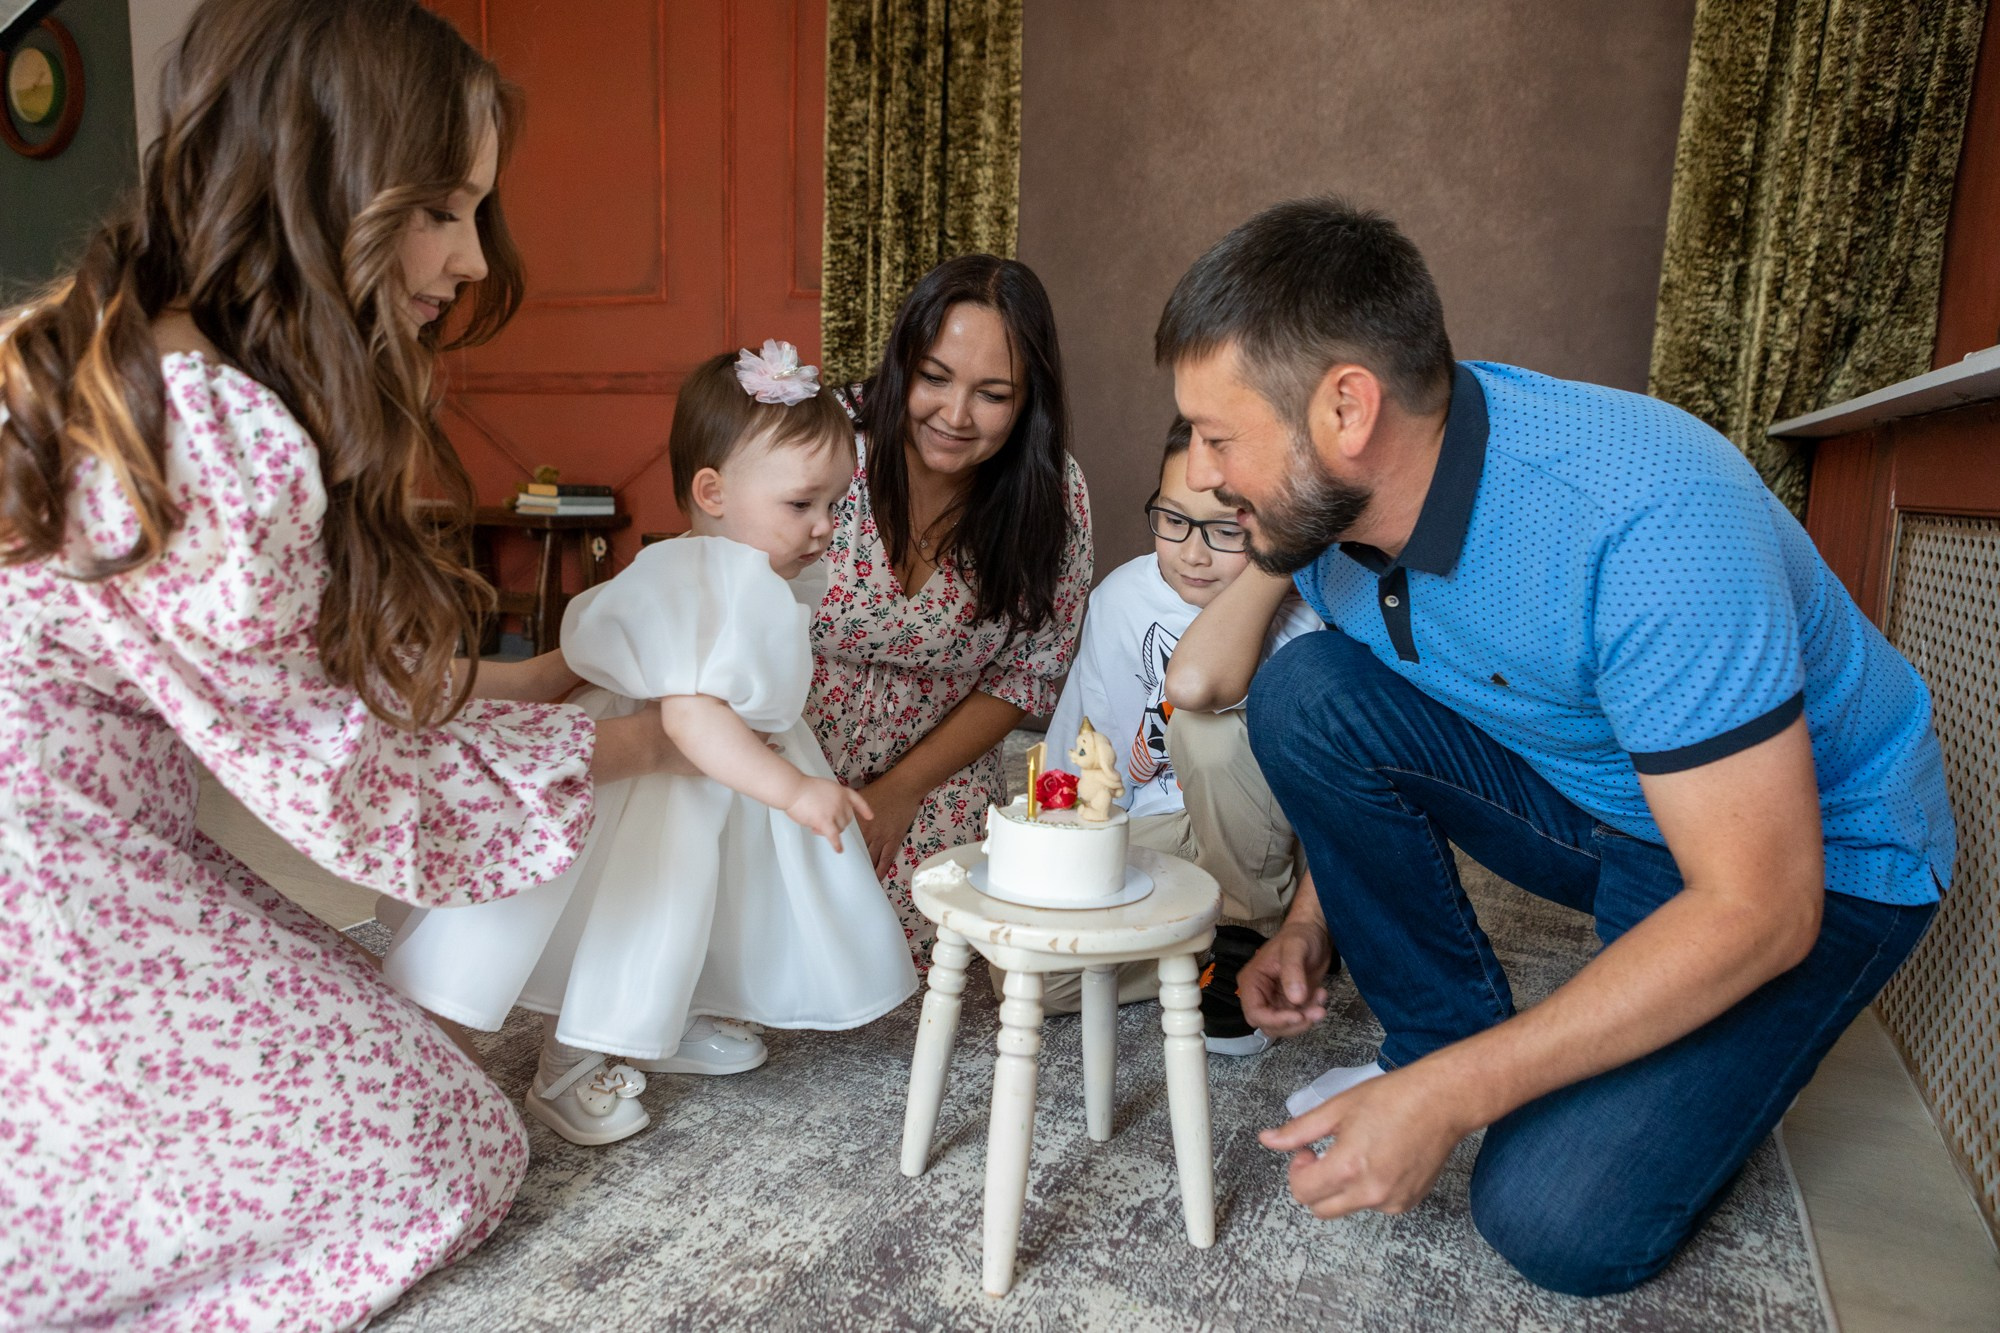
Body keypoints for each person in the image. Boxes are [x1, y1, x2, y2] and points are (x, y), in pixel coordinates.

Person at [0, 1, 692, 1325]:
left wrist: (534, 679)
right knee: (443, 1145)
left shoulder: (141, 358)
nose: (475, 258)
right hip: (44, 884)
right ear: (322, 186)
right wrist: (637, 741)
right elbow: (348, 782)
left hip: (83, 841)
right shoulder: (208, 431)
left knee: (380, 1018)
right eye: (441, 208)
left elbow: (292, 678)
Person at [1156, 197, 1954, 1296]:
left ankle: (1492, 1074)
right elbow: (1214, 681)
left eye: (1216, 436)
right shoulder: (1338, 512)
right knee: (1304, 689)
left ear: (1348, 406)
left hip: (1810, 863)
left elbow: (1762, 906)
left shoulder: (1649, 522)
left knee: (1550, 1220)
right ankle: (1436, 1034)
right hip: (1608, 800)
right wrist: (1311, 916)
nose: (1199, 475)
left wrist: (1453, 1101)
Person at [383, 344, 918, 1145]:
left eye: (834, 505)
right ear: (713, 491)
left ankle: (675, 1019)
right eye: (803, 504)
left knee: (717, 902)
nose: (824, 528)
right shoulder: (716, 577)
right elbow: (689, 721)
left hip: (722, 777)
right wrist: (795, 789)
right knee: (645, 913)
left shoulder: (721, 566)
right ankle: (570, 1065)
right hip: (671, 786)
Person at [807, 256, 1092, 964]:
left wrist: (902, 791)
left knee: (905, 964)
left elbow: (1028, 676)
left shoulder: (1053, 496)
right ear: (904, 360)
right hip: (780, 750)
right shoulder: (821, 443)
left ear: (1030, 399)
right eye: (935, 378)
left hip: (931, 771)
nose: (955, 416)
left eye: (993, 394)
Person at [1019, 417, 1324, 1046]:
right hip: (1161, 824)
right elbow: (1083, 735)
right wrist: (1059, 842)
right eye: (1174, 520)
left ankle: (1252, 933)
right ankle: (1210, 950)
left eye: (1225, 530)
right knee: (1035, 977)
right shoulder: (1121, 599)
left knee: (1204, 731)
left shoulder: (1309, 618)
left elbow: (1339, 783)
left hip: (1266, 833)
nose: (1192, 551)